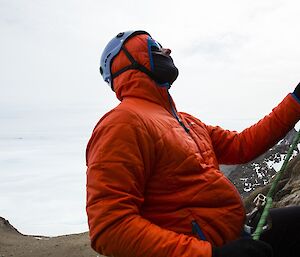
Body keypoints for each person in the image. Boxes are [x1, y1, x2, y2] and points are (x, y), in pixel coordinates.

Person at [86, 30, 300, 257]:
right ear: (129, 62)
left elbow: (242, 145)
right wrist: (210, 255)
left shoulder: (186, 121)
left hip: (232, 238)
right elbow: (110, 228)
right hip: (207, 250)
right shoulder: (122, 123)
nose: (167, 51)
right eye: (154, 48)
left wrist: (296, 100)